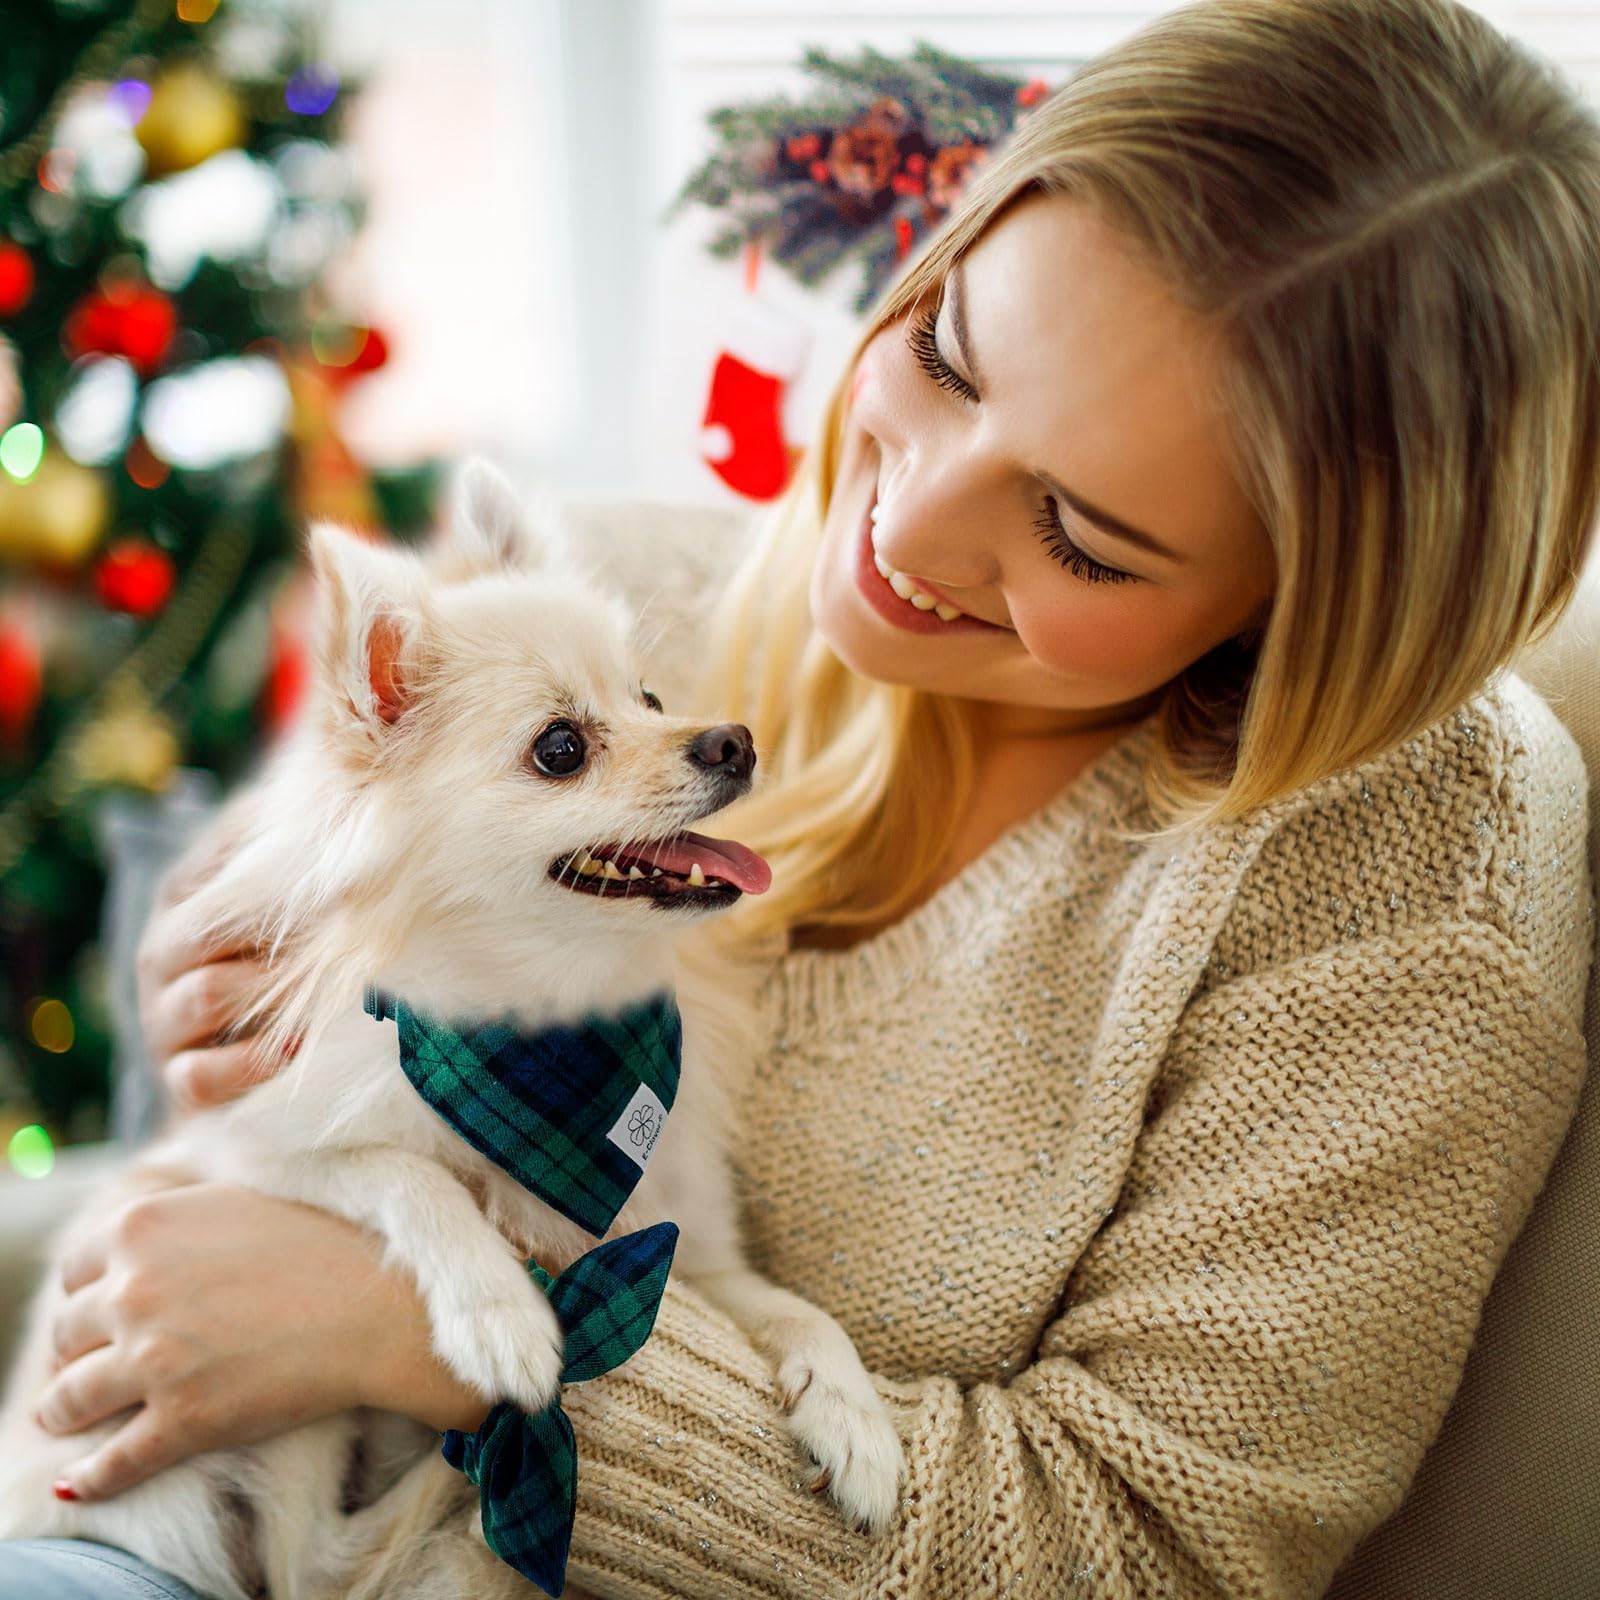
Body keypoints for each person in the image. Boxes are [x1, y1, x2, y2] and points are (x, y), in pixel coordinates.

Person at [6, 0, 1599, 1595]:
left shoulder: (1412, 880)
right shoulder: (616, 602)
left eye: (1083, 535)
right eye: (943, 354)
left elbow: (1143, 1548)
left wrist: (446, 1334)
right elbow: (243, 1180)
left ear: (1305, 618)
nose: (911, 519)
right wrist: (232, 1016)